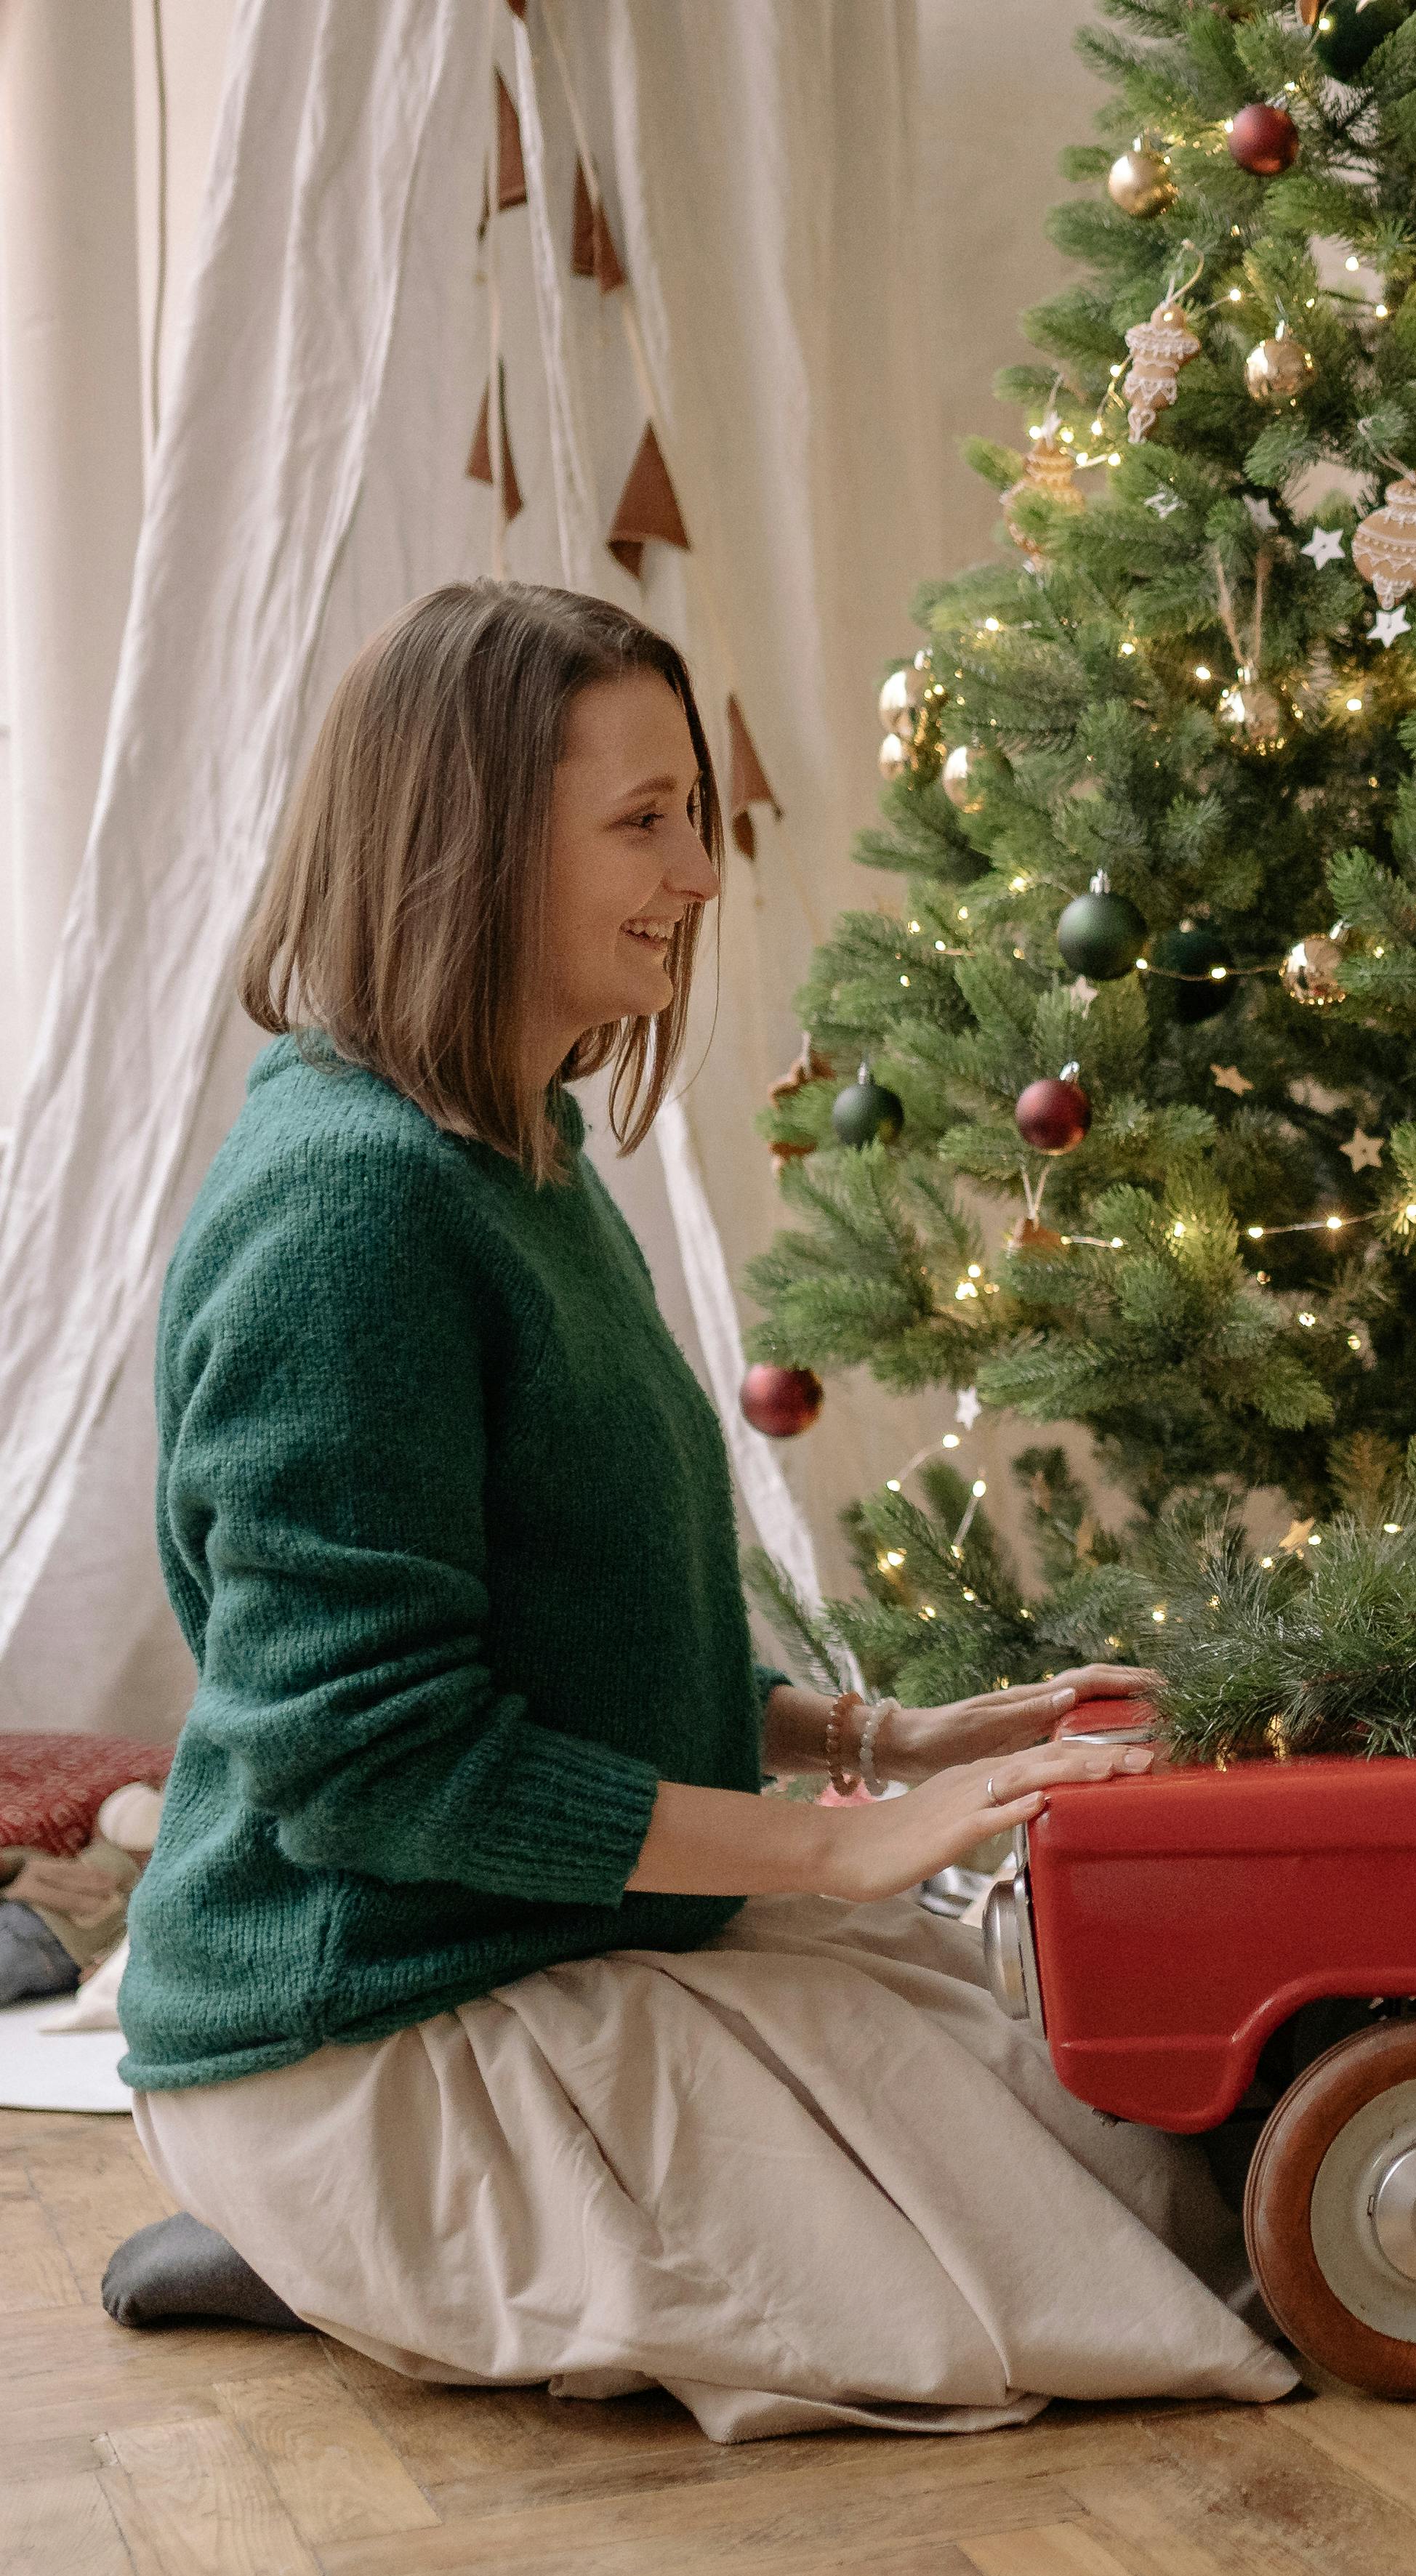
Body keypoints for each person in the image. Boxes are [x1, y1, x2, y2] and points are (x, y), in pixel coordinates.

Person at [109, 581, 1298, 2440]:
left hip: (533, 1938)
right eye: (640, 819)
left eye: (695, 812)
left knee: (1090, 2119)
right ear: (472, 845)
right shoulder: (346, 1216)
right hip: (365, 2020)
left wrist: (859, 1735)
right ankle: (332, 2235)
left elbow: (558, 1622)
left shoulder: (517, 1141)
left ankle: (418, 2271)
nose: (699, 867)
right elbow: (363, 1761)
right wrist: (821, 1845)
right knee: (1066, 2285)